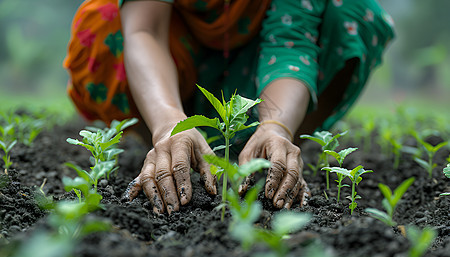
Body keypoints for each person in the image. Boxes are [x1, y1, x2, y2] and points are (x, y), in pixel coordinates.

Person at [64, 0, 395, 214]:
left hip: (257, 65)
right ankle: (167, 145)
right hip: (178, 64)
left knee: (350, 8)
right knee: (104, 20)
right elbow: (143, 28)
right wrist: (168, 123)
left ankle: (270, 155)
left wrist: (277, 126)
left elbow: (291, 42)